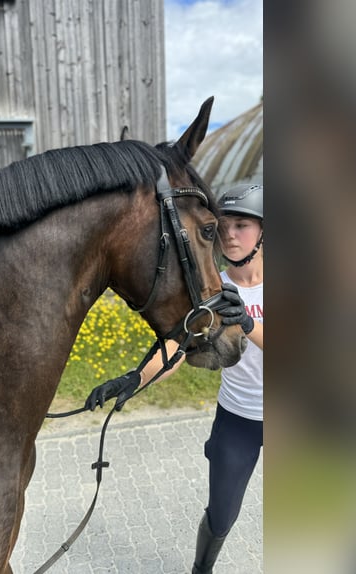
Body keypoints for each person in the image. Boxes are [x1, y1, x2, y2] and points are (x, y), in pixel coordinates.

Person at [84, 183, 264, 573]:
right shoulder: (212, 286)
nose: (230, 234)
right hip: (240, 419)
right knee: (222, 516)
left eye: (243, 225)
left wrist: (247, 322)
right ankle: (202, 569)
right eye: (224, 225)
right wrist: (134, 379)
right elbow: (178, 344)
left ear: (264, 232)